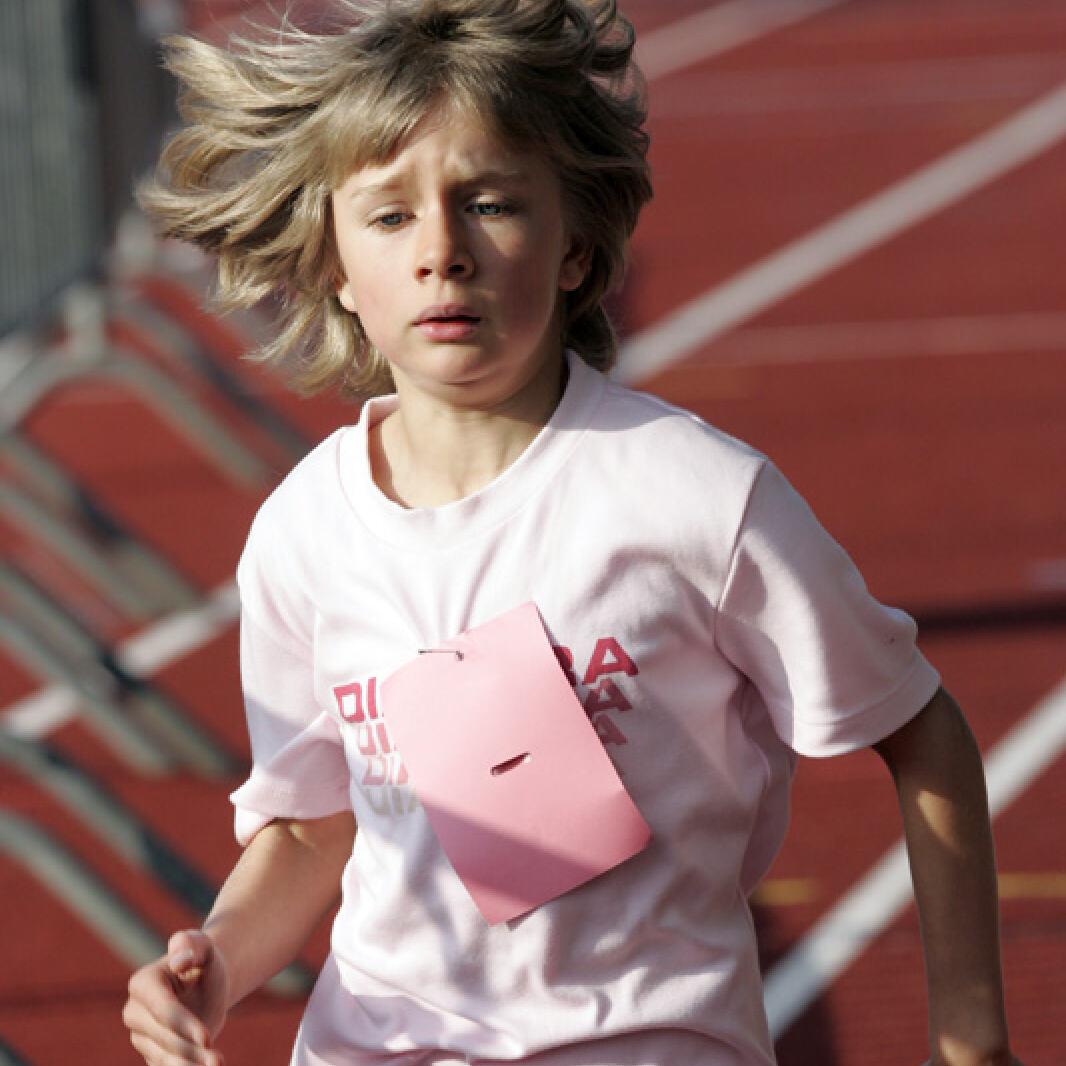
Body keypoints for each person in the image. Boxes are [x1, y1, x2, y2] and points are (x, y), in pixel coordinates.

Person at [122, 2, 1026, 1065]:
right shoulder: (304, 530)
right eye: (390, 217)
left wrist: (971, 1036)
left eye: (489, 203)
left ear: (575, 246)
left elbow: (918, 728)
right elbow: (314, 822)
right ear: (333, 268)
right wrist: (218, 961)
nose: (442, 253)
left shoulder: (693, 497)